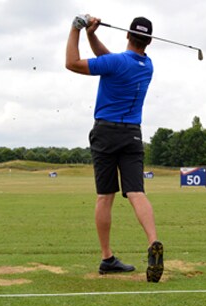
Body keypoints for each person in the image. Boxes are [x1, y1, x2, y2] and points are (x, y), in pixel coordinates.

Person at [65, 14, 164, 283]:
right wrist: (92, 35)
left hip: (105, 133)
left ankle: (107, 258)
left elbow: (72, 63)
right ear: (149, 41)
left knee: (105, 196)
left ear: (127, 35)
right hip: (132, 135)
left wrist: (76, 29)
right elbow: (111, 61)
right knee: (136, 192)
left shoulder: (116, 63)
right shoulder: (147, 66)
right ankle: (153, 241)